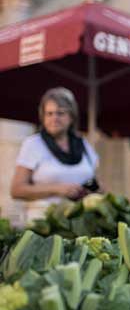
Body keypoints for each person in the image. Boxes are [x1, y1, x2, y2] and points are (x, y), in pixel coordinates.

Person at [11, 87, 100, 221]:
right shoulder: (33, 144)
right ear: (43, 117)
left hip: (81, 223)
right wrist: (57, 189)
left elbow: (96, 183)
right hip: (44, 224)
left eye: (60, 113)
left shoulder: (84, 145)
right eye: (49, 114)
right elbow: (17, 190)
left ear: (71, 117)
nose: (54, 118)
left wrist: (92, 191)